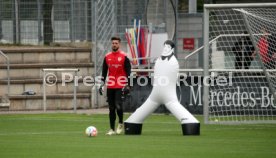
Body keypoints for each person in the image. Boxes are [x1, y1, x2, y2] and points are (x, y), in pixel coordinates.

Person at [99, 36, 131, 135]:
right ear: (111, 44)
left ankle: (121, 123)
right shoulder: (107, 57)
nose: (114, 45)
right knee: (111, 108)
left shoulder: (124, 56)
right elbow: (104, 72)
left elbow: (128, 71)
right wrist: (101, 84)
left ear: (119, 44)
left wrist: (128, 85)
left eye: (116, 43)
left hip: (120, 84)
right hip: (111, 85)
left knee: (118, 106)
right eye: (113, 43)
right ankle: (112, 129)